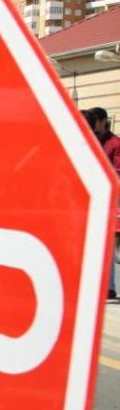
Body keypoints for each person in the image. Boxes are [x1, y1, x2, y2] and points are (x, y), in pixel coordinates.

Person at [84, 107, 119, 299]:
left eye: (95, 121)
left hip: (108, 200)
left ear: (102, 121)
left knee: (108, 242)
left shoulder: (115, 143)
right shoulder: (94, 140)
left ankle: (109, 287)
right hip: (93, 197)